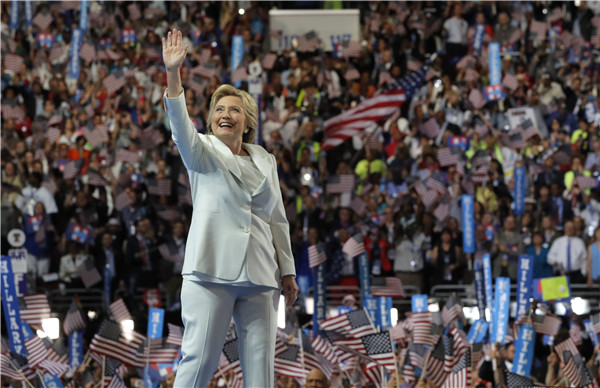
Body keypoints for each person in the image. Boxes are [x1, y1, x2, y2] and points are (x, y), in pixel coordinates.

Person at [162, 28, 298, 387]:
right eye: (219, 109)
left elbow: (277, 220)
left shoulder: (265, 159)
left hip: (261, 275)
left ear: (247, 121)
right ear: (210, 120)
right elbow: (178, 127)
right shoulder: (201, 150)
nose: (225, 114)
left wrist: (288, 271)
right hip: (210, 272)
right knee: (199, 362)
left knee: (261, 373)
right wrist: (173, 73)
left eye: (234, 110)